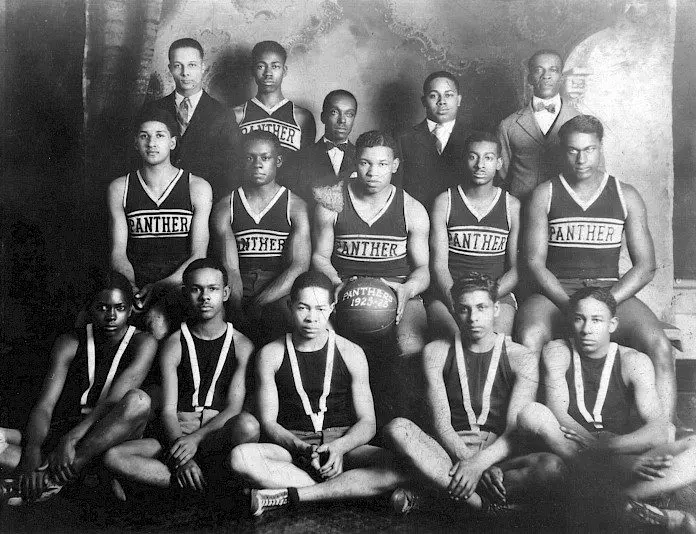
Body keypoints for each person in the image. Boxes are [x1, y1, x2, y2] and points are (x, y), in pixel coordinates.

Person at [516, 114, 676, 419]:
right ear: (562, 151)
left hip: (609, 291)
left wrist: (606, 304)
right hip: (558, 291)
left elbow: (646, 266)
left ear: (600, 147)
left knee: (659, 344)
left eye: (589, 149)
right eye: (573, 150)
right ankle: (531, 427)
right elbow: (534, 262)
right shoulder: (545, 193)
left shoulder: (625, 194)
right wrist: (568, 304)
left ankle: (664, 430)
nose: (581, 158)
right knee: (529, 337)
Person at [517, 287, 696, 532]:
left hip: (621, 453)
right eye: (580, 319)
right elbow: (558, 415)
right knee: (532, 414)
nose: (587, 329)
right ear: (571, 321)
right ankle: (625, 505)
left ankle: (614, 501)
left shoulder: (634, 361)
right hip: (572, 452)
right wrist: (594, 448)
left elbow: (659, 427)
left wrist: (607, 448)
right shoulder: (557, 351)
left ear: (612, 324)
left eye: (597, 320)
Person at [228, 271, 406, 517]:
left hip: (341, 445)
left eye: (320, 309)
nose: (312, 318)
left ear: (332, 309)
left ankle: (293, 495)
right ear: (290, 306)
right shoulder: (271, 353)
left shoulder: (351, 352)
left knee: (403, 466)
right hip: (293, 449)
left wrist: (340, 448)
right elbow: (268, 422)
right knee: (240, 458)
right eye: (303, 308)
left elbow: (368, 423)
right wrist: (301, 448)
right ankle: (345, 492)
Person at [383, 273, 563, 516]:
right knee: (398, 429)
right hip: (447, 454)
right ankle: (482, 506)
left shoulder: (521, 357)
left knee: (552, 468)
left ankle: (433, 495)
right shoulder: (435, 352)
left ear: (496, 309)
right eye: (465, 309)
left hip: (497, 456)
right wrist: (469, 463)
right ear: (455, 311)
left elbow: (513, 431)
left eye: (481, 308)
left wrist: (480, 464)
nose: (473, 318)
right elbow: (442, 425)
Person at [103, 258, 258, 497]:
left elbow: (233, 408)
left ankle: (194, 484)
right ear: (186, 294)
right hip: (178, 431)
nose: (205, 296)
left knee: (248, 426)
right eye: (197, 289)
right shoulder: (174, 343)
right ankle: (203, 485)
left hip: (216, 432)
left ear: (225, 293)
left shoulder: (242, 345)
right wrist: (180, 457)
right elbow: (167, 410)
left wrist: (196, 439)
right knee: (114, 456)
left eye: (213, 289)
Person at [0, 271, 156, 504]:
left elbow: (112, 403)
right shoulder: (71, 341)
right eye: (102, 308)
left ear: (131, 310)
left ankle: (53, 478)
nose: (111, 316)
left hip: (113, 432)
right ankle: (74, 475)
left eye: (120, 308)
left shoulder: (143, 342)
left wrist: (70, 441)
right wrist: (31, 453)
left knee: (139, 401)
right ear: (90, 309)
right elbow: (46, 405)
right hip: (68, 429)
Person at [312, 130, 430, 423]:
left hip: (397, 291)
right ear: (355, 162)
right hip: (343, 289)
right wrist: (337, 283)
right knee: (317, 341)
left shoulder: (411, 208)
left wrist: (406, 291)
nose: (372, 172)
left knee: (412, 348)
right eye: (365, 163)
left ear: (394, 165)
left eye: (381, 164)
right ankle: (333, 423)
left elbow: (424, 270)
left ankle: (402, 425)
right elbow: (318, 257)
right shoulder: (331, 200)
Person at [108, 108, 212, 340]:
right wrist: (131, 288)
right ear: (136, 142)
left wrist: (161, 286)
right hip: (136, 281)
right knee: (93, 318)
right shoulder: (120, 188)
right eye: (144, 136)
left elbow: (198, 255)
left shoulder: (197, 187)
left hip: (179, 282)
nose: (151, 143)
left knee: (156, 322)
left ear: (173, 142)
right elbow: (118, 252)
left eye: (159, 135)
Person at [211, 130, 310, 347]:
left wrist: (260, 303)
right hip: (238, 285)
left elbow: (298, 266)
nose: (258, 164)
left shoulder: (295, 206)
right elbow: (231, 268)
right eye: (250, 158)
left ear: (278, 160)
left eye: (265, 158)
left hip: (279, 287)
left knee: (285, 322)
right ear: (241, 160)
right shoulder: (225, 206)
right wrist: (237, 308)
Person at [429, 131, 521, 339]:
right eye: (473, 156)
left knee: (495, 344)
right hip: (450, 294)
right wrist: (457, 299)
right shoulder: (445, 201)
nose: (480, 164)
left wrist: (487, 298)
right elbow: (439, 266)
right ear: (465, 160)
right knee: (455, 341)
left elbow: (516, 269)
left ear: (498, 163)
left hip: (497, 294)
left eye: (488, 158)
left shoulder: (511, 205)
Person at [140, 38, 241, 199]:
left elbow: (232, 170)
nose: (185, 73)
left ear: (202, 67)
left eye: (192, 65)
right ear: (170, 69)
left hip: (205, 202)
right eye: (178, 66)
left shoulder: (222, 114)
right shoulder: (152, 110)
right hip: (160, 202)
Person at [497, 49, 581, 202]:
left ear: (562, 78)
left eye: (553, 70)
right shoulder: (508, 125)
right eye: (538, 70)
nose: (546, 76)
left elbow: (596, 172)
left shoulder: (579, 121)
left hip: (567, 208)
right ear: (529, 78)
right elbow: (501, 177)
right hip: (523, 210)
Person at [234, 40, 316, 175]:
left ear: (284, 71)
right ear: (252, 70)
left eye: (275, 66)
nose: (268, 73)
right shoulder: (237, 115)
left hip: (290, 192)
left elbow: (306, 168)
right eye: (261, 66)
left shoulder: (301, 117)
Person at [395, 71, 470, 211]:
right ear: (424, 101)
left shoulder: (473, 139)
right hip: (417, 219)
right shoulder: (404, 139)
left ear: (458, 100)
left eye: (448, 95)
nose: (442, 101)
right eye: (433, 95)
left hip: (460, 220)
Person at [282, 90, 358, 207]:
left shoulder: (362, 157)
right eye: (334, 112)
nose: (342, 120)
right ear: (323, 117)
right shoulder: (299, 159)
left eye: (349, 114)